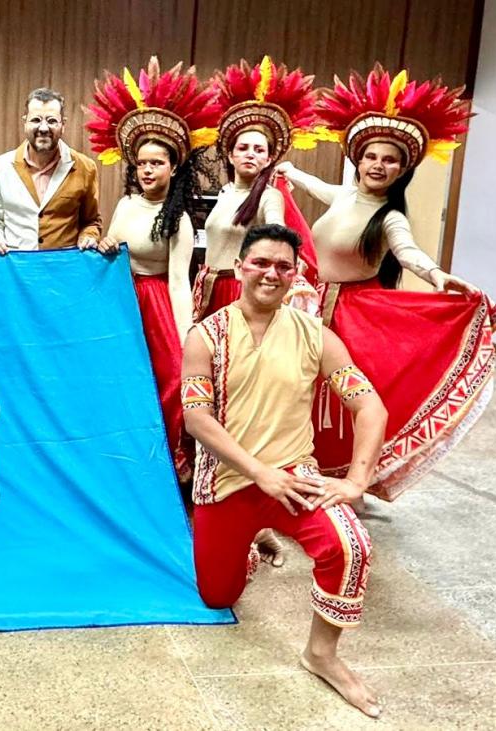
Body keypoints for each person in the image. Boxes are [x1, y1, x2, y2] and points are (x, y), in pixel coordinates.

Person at [182, 223, 386, 719]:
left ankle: (321, 654)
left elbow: (369, 407)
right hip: (227, 480)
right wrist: (259, 472)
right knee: (217, 597)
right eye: (260, 263)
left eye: (283, 266)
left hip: (294, 477)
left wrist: (356, 481)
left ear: (295, 275)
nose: (271, 273)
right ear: (239, 268)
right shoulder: (205, 336)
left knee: (351, 546)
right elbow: (196, 419)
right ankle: (253, 543)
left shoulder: (316, 335)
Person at [277, 63, 496, 501]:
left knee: (344, 397)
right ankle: (302, 465)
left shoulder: (390, 216)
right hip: (310, 305)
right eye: (371, 157)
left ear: (401, 170)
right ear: (358, 160)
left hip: (354, 314)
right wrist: (286, 169)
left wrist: (437, 275)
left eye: (389, 160)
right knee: (301, 387)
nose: (378, 165)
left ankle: (349, 477)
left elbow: (408, 252)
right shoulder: (343, 195)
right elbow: (310, 183)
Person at [84, 57, 220, 481]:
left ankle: (167, 465)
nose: (147, 170)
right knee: (119, 380)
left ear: (173, 167)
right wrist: (103, 242)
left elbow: (179, 282)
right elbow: (111, 246)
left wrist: (186, 337)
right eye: (142, 163)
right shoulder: (126, 204)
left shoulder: (178, 219)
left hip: (158, 303)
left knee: (170, 379)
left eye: (156, 163)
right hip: (122, 301)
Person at [195, 56, 319, 322]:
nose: (250, 154)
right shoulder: (226, 192)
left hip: (239, 290)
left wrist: (285, 251)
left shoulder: (269, 196)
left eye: (259, 150)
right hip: (208, 287)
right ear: (230, 155)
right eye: (243, 148)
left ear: (269, 158)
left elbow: (277, 229)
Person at [0, 88, 102, 253]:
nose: (44, 128)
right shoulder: (0, 167)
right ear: (25, 123)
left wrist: (88, 237)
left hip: (63, 265)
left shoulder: (85, 167)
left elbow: (91, 222)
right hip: (16, 265)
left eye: (52, 121)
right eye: (36, 120)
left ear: (63, 125)